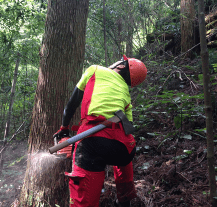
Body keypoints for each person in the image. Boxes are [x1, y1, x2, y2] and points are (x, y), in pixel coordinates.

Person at [53, 55, 147, 207]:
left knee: (84, 198)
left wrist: (64, 129)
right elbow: (128, 128)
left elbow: (72, 104)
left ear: (122, 66)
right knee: (123, 143)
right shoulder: (125, 92)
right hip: (125, 150)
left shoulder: (95, 70)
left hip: (92, 142)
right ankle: (125, 200)